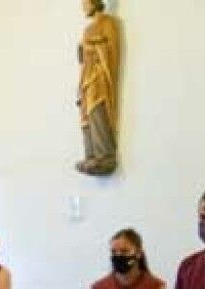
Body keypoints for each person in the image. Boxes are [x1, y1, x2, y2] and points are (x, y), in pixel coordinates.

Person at [75, 0, 121, 176]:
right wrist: (83, 50)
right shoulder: (87, 29)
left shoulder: (108, 22)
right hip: (87, 77)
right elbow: (83, 58)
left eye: (85, 2)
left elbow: (112, 50)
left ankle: (104, 154)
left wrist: (93, 46)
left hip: (100, 76)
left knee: (97, 110)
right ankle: (91, 154)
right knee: (86, 114)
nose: (83, 7)